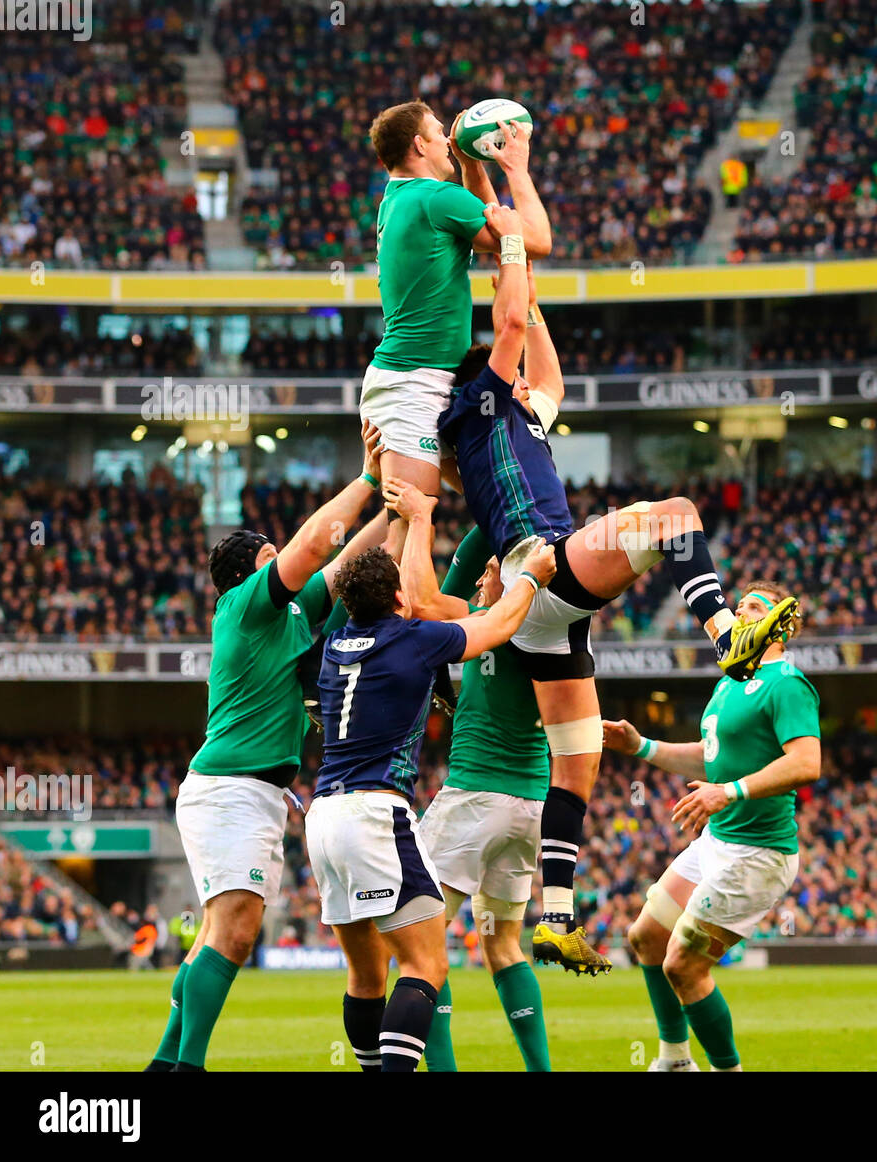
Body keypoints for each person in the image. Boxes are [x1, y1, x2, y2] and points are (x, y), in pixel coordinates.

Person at [433, 224, 797, 973]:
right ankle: (727, 634)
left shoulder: (508, 421)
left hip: (541, 612)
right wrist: (507, 254)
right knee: (674, 517)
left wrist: (529, 287)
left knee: (576, 766)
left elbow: (544, 366)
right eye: (517, 380)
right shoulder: (479, 406)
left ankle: (557, 916)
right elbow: (507, 333)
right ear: (495, 383)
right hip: (545, 566)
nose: (534, 386)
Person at [144, 421, 390, 1072]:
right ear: (247, 572)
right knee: (235, 931)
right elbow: (315, 545)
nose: (280, 555)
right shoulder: (245, 606)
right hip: (232, 789)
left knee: (218, 937)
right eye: (268, 553)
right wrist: (366, 479)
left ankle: (166, 1065)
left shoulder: (286, 615)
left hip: (248, 790)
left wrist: (396, 508)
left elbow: (343, 565)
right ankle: (188, 1066)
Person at [305, 486, 556, 1073]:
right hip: (377, 813)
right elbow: (493, 627)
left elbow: (385, 590)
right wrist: (530, 579)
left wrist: (402, 521)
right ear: (398, 596)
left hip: (324, 818)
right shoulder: (416, 638)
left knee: (366, 975)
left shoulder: (335, 644)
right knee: (425, 967)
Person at [606, 581, 821, 1071]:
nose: (735, 611)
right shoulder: (728, 683)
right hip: (718, 841)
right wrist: (642, 747)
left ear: (778, 626)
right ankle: (676, 1060)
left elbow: (806, 762)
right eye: (736, 602)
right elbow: (709, 759)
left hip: (757, 853)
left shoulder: (787, 682)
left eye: (750, 605)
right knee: (645, 938)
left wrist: (730, 791)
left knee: (683, 964)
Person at [361, 100, 550, 559]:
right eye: (439, 131)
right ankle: (368, 628)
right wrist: (516, 169)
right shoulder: (435, 197)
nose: (449, 139)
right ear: (418, 144)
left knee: (487, 496)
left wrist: (472, 167)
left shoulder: (407, 197)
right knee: (408, 526)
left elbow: (496, 227)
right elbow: (535, 241)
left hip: (429, 379)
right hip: (412, 382)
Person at [414, 534, 554, 1072]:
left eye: (490, 570)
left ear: (516, 576)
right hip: (529, 807)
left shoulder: (490, 620)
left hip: (475, 796)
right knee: (502, 947)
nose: (478, 581)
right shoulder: (549, 632)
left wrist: (485, 512)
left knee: (418, 940)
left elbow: (428, 600)